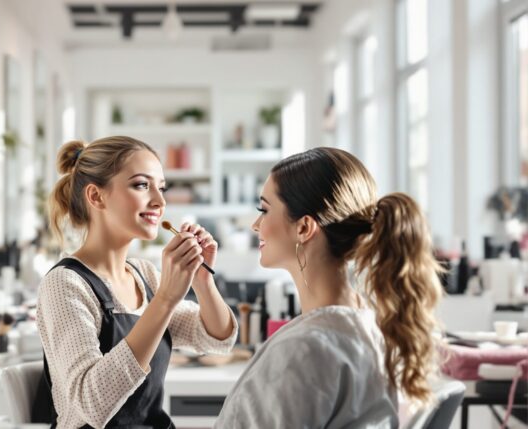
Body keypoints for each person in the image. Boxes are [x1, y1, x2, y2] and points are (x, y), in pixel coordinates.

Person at [216, 147, 443, 428]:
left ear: (304, 228)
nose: (255, 224)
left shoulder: (304, 350)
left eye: (264, 210)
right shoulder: (369, 327)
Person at [34, 136, 237, 428]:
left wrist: (202, 282)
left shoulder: (144, 276)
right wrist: (165, 299)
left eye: (161, 187)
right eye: (142, 185)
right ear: (96, 196)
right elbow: (92, 404)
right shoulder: (65, 284)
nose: (160, 201)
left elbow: (217, 339)